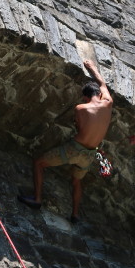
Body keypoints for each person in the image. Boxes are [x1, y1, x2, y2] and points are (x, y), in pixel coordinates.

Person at [19, 59, 113, 223]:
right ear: (98, 94)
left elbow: (79, 127)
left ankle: (37, 199)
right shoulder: (108, 103)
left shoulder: (81, 108)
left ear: (85, 97)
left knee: (39, 163)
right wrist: (91, 68)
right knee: (76, 181)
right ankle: (75, 214)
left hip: (74, 149)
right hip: (90, 154)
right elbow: (102, 83)